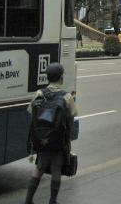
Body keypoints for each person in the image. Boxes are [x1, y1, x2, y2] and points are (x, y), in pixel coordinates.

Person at [25, 62, 78, 204]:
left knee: (40, 167)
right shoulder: (66, 97)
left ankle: (28, 200)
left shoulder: (39, 93)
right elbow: (71, 118)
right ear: (61, 78)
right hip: (58, 140)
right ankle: (52, 201)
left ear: (47, 78)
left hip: (42, 139)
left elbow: (32, 112)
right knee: (56, 168)